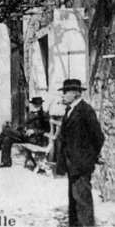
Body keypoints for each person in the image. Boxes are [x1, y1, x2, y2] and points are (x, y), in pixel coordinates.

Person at [55, 80, 105, 227]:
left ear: (76, 93)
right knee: (74, 199)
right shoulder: (69, 110)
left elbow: (98, 137)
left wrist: (88, 157)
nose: (62, 95)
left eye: (65, 92)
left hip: (81, 164)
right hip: (72, 163)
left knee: (83, 200)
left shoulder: (85, 110)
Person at [0, 97, 49, 168]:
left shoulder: (44, 115)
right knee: (7, 138)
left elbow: (46, 129)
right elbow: (25, 124)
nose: (34, 106)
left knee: (6, 130)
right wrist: (22, 128)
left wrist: (34, 131)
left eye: (36, 104)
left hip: (35, 139)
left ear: (40, 105)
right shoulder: (30, 114)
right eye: (33, 104)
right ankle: (6, 162)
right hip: (26, 136)